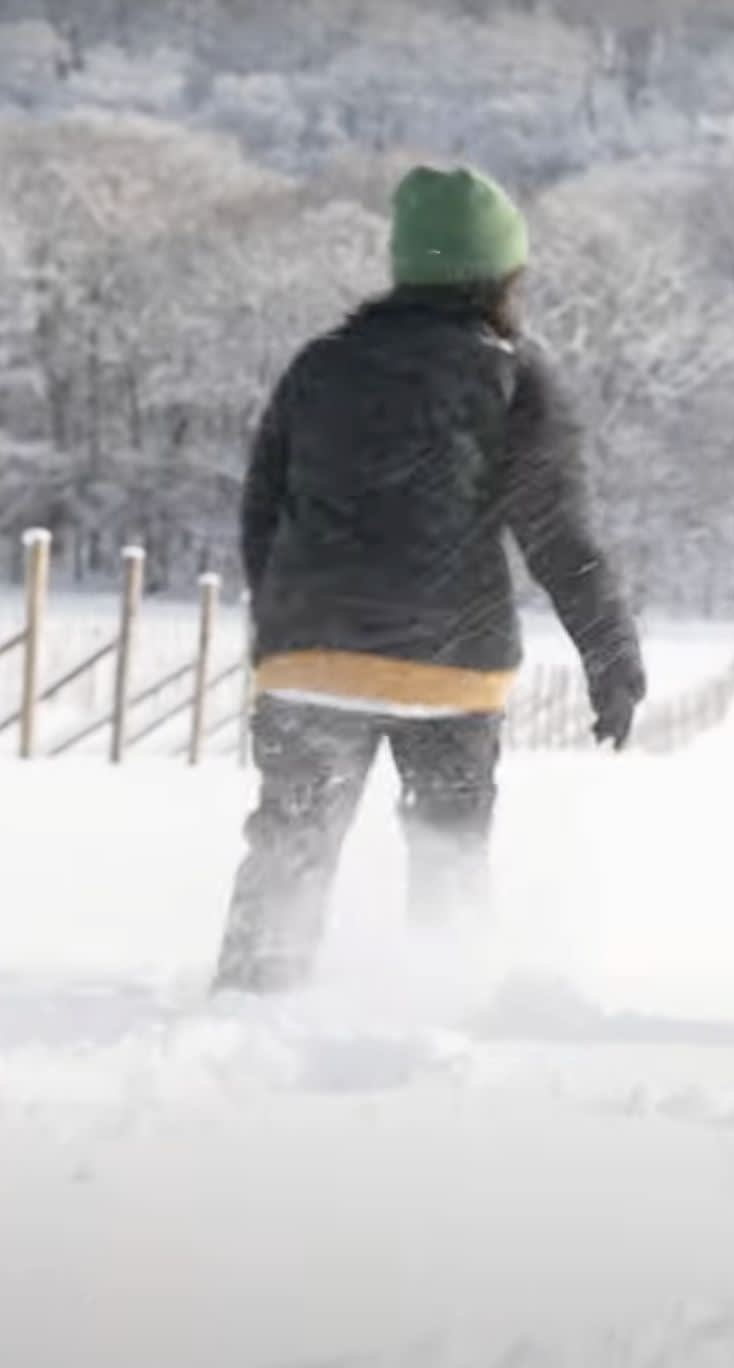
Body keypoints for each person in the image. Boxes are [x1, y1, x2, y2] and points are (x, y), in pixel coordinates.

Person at [212, 166, 646, 994]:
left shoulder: (321, 365)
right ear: (502, 276)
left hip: (312, 660)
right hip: (449, 667)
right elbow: (558, 533)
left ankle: (247, 1003)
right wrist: (611, 655)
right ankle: (438, 1008)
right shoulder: (514, 375)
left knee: (290, 848)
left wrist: (287, 629)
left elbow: (262, 511)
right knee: (448, 857)